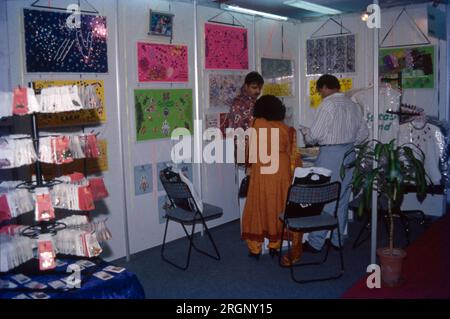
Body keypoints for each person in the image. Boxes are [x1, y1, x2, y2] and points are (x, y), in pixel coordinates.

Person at [299, 74, 369, 254]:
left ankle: (316, 242)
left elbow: (315, 135)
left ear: (324, 87)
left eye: (320, 90)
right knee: (343, 197)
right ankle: (338, 239)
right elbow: (363, 135)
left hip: (331, 154)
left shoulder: (328, 104)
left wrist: (306, 133)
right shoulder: (353, 105)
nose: (320, 94)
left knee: (326, 198)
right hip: (349, 153)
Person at [241, 95, 298, 259]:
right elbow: (294, 156)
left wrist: (248, 167)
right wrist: (293, 172)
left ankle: (255, 248)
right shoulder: (287, 129)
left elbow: (249, 151)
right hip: (281, 172)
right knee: (279, 206)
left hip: (262, 170)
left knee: (257, 206)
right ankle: (275, 245)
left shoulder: (256, 124)